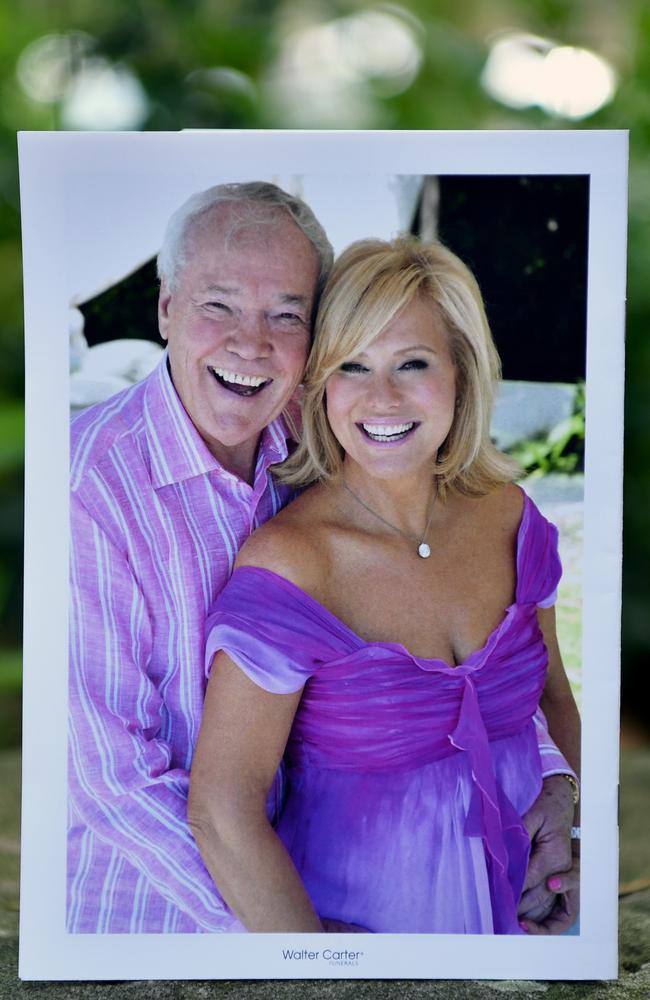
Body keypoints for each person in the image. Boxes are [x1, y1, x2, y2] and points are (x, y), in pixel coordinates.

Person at [69, 180, 575, 935]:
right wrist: (301, 944)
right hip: (164, 920)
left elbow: (470, 674)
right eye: (219, 304)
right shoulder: (86, 489)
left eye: (286, 315)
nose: (252, 342)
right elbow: (113, 784)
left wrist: (556, 793)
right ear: (166, 306)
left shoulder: (311, 441)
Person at [189, 236, 581, 934]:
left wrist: (570, 817)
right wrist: (324, 973)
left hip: (529, 932)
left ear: (461, 371)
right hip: (367, 939)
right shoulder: (293, 562)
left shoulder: (511, 515)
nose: (382, 397)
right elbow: (222, 809)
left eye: (413, 364)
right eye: (353, 366)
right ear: (321, 385)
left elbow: (554, 701)